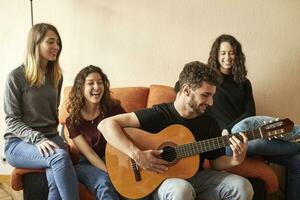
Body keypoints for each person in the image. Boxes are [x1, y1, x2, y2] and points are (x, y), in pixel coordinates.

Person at [99, 61, 253, 200]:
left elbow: (216, 162)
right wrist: (137, 155)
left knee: (243, 186)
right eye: (205, 95)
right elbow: (105, 124)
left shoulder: (209, 122)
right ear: (186, 90)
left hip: (197, 178)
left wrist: (235, 159)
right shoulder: (159, 114)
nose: (211, 102)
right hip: (164, 181)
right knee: (181, 190)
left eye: (212, 96)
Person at [206, 34, 300, 200]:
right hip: (225, 142)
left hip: (244, 135)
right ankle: (296, 131)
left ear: (237, 55)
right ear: (216, 55)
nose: (227, 57)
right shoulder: (208, 81)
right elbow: (182, 86)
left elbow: (250, 112)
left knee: (298, 160)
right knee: (254, 135)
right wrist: (225, 131)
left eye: (231, 53)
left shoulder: (244, 82)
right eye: (223, 53)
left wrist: (229, 128)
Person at [3, 23, 80, 200]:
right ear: (35, 44)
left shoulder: (56, 76)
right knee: (59, 158)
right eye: (51, 42)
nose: (56, 47)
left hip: (50, 139)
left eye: (58, 43)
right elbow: (12, 120)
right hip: (19, 143)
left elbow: (52, 112)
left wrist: (57, 138)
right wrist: (37, 139)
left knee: (55, 181)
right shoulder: (16, 77)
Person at [66, 65, 125, 199]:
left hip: (115, 159)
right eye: (91, 83)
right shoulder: (72, 121)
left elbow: (131, 132)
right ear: (81, 88)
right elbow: (90, 154)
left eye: (100, 82)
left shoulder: (113, 109)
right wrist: (113, 175)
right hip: (86, 163)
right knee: (104, 182)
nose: (97, 87)